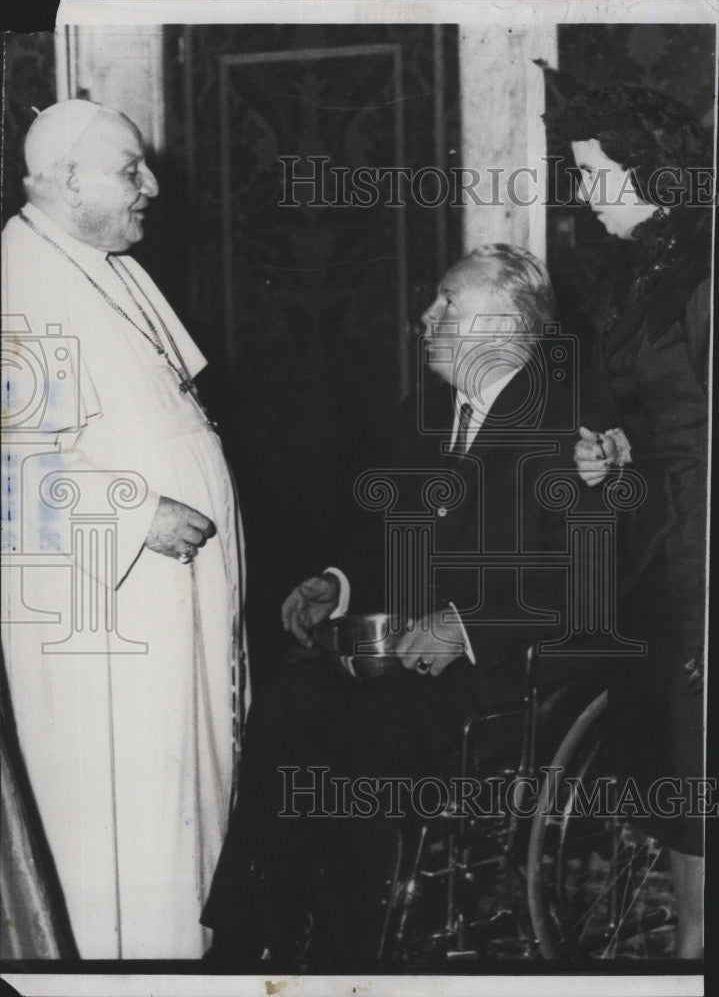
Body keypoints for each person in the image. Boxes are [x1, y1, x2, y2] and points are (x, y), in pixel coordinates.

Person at [202, 244, 575, 969]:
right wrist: (337, 583)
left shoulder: (567, 431)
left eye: (445, 305)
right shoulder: (421, 416)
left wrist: (465, 627)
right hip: (402, 657)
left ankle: (349, 957)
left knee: (366, 733)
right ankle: (246, 940)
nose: (423, 318)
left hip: (508, 678)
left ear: (502, 326)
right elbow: (386, 544)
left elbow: (585, 584)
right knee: (291, 699)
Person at [1, 100, 248, 958]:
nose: (151, 186)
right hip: (106, 623)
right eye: (130, 169)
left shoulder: (110, 264)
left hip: (166, 613)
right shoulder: (20, 278)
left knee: (186, 826)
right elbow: (10, 470)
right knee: (129, 843)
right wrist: (135, 511)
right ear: (68, 179)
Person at [544, 85, 712, 959]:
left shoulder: (704, 272)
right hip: (662, 547)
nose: (582, 193)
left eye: (592, 174)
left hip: (703, 558)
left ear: (648, 172)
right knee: (682, 779)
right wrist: (615, 448)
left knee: (697, 771)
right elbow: (660, 412)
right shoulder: (644, 267)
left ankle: (692, 955)